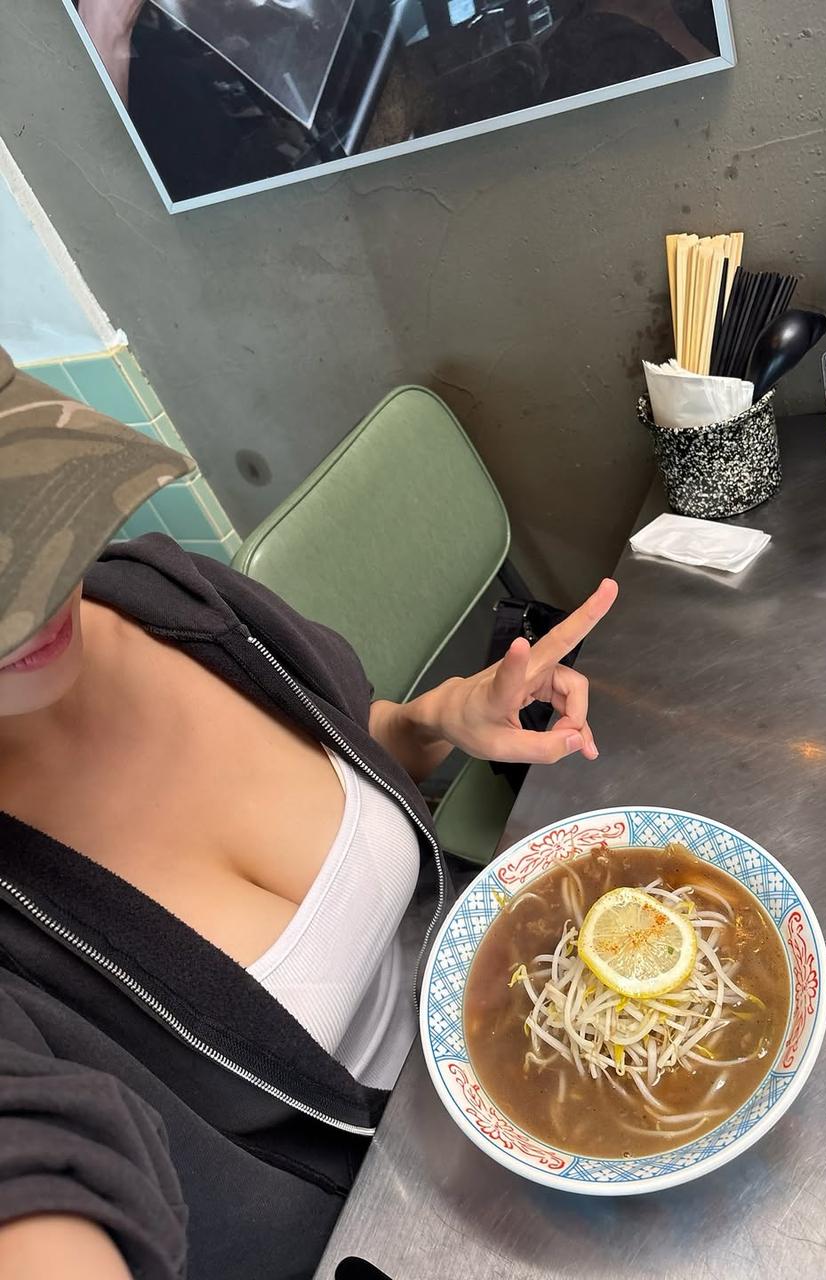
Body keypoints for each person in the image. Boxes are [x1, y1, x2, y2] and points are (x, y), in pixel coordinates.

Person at [0, 347, 617, 1279]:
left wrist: (436, 718)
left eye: (31, 512)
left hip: (540, 1015)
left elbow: (364, 735)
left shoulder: (170, 594)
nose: (42, 588)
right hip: (407, 1222)